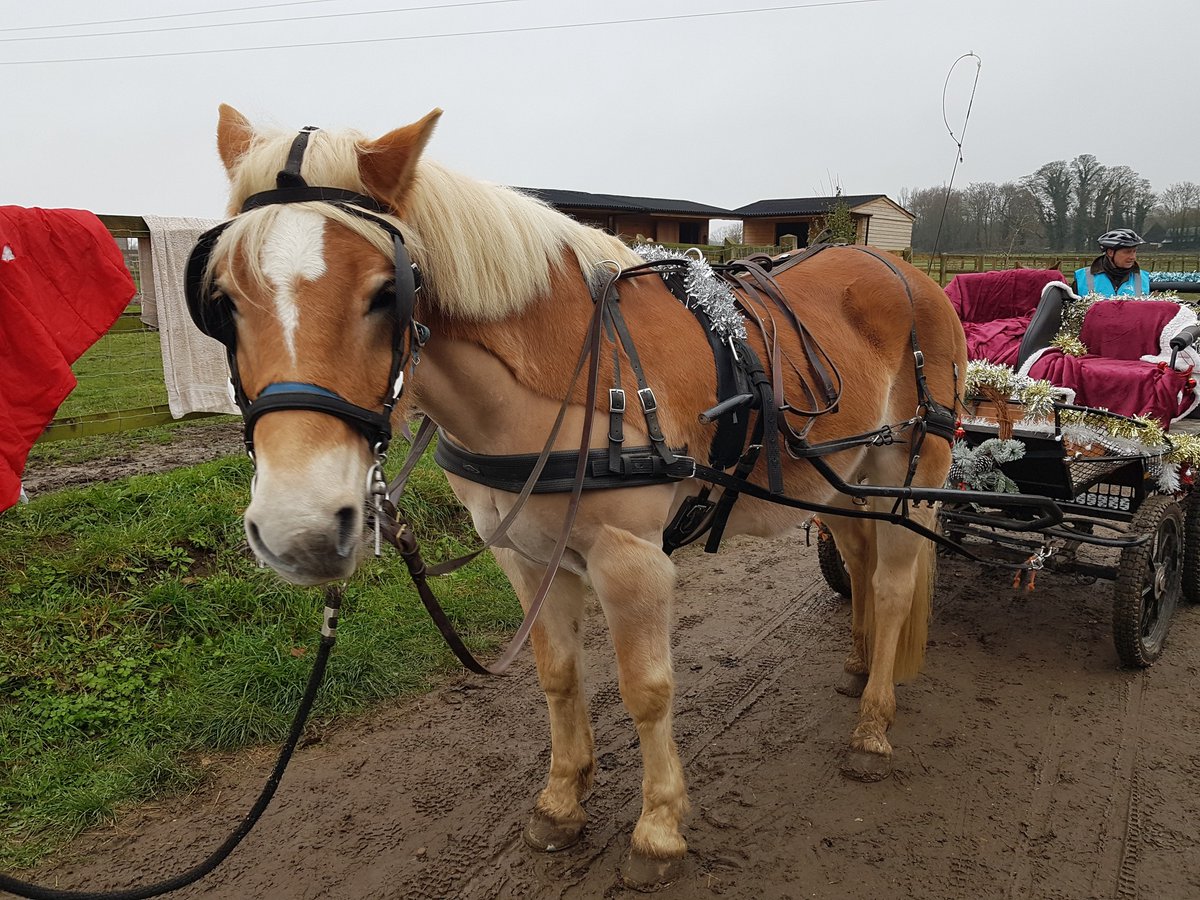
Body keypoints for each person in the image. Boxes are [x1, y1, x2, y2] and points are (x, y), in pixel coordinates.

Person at [1074, 228, 1152, 297]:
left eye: (1134, 251)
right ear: (1110, 252)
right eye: (1127, 252)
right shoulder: (1083, 277)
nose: (1133, 257)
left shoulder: (1143, 278)